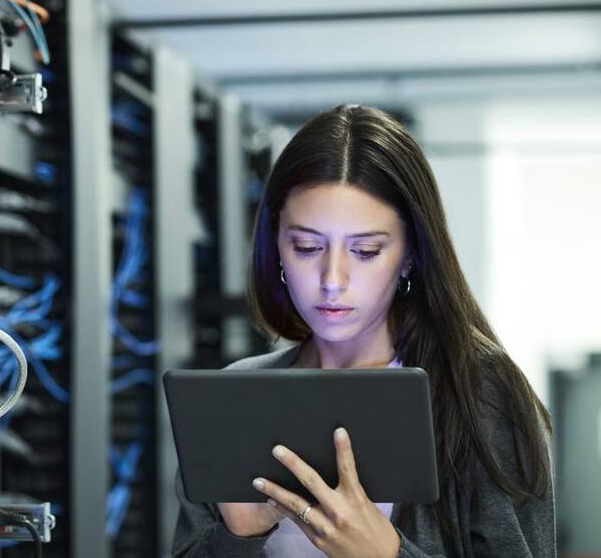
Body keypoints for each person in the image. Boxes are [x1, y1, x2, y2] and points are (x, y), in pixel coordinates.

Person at [171, 105, 555, 558]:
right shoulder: (236, 396)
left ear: (411, 253)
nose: (333, 278)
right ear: (275, 245)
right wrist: (238, 538)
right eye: (307, 246)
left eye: (367, 250)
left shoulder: (479, 394)